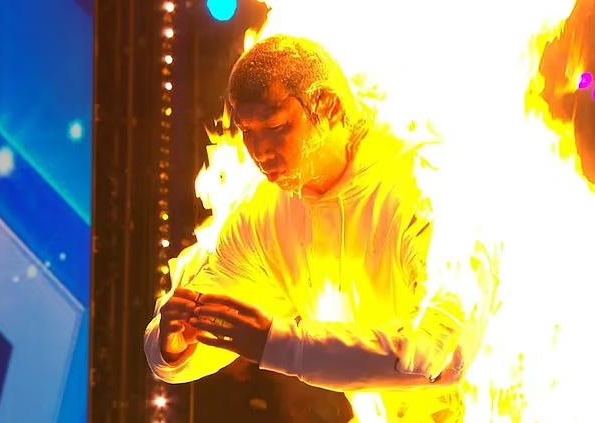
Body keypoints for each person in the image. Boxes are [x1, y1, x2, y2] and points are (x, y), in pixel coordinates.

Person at [145, 35, 477, 422]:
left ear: (328, 106)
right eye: (247, 130)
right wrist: (174, 343)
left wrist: (279, 345)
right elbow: (176, 345)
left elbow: (442, 354)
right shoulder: (262, 213)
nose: (259, 150)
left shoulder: (427, 185)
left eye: (276, 126)